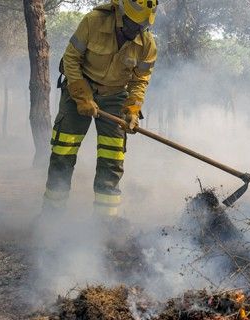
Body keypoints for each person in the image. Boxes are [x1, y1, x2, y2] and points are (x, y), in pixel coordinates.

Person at [42, 0, 158, 218]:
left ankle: (105, 223)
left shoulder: (147, 44)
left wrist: (132, 109)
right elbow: (71, 59)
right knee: (62, 152)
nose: (136, 31)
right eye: (133, 24)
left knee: (112, 157)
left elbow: (140, 80)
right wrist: (82, 96)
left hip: (115, 96)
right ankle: (51, 217)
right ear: (120, 13)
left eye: (142, 26)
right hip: (79, 86)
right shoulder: (93, 21)